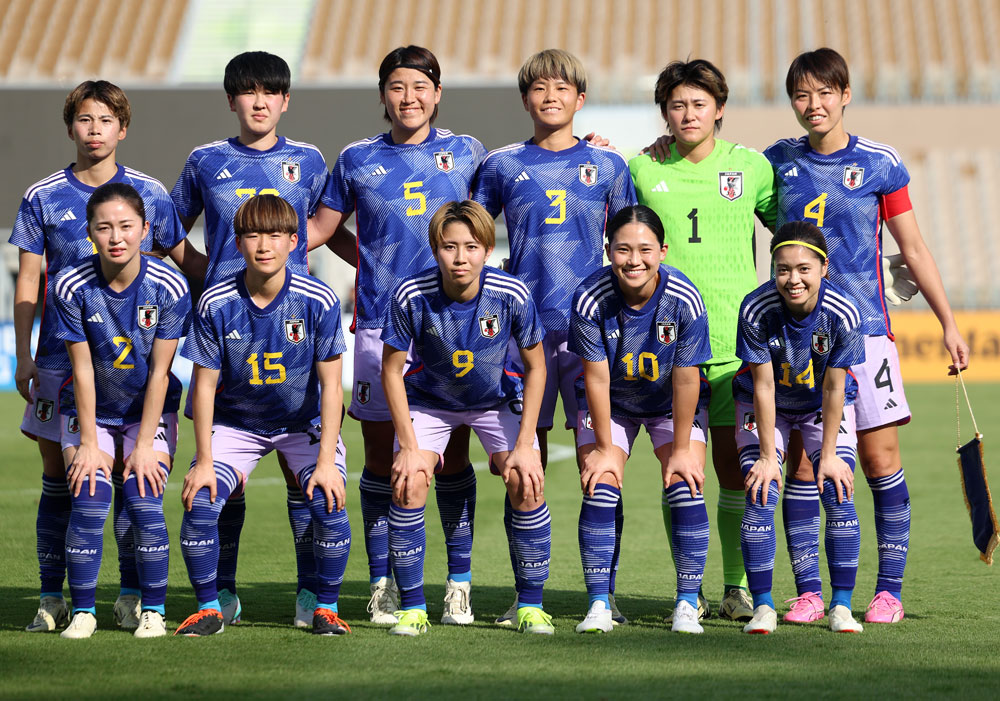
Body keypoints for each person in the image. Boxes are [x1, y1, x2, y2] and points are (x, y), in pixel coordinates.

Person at [764, 48, 970, 624]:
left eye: (825, 92)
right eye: (802, 95)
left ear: (845, 95)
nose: (814, 104)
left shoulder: (879, 162)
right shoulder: (776, 162)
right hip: (799, 338)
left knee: (879, 460)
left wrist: (948, 322)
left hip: (868, 332)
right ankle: (809, 592)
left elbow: (914, 249)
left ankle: (889, 593)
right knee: (804, 465)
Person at [10, 80, 199, 633]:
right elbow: (29, 280)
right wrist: (23, 354)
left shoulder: (149, 193)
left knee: (132, 482)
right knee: (64, 480)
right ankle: (52, 598)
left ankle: (131, 595)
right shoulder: (43, 195)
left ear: (123, 128)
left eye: (106, 120)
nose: (95, 130)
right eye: (85, 120)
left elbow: (181, 260)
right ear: (70, 126)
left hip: (134, 368)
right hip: (61, 361)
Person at [308, 46, 487, 625]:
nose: (408, 97)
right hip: (380, 326)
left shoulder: (468, 153)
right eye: (396, 87)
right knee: (383, 460)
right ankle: (383, 583)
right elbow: (323, 228)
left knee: (451, 457)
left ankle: (458, 583)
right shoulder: (356, 158)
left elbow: (493, 215)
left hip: (450, 326)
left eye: (419, 86)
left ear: (437, 93)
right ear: (383, 95)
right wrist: (364, 259)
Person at [171, 51, 337, 628]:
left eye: (270, 92)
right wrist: (210, 272)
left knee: (302, 478)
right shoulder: (205, 160)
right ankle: (222, 594)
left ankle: (311, 594)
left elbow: (324, 224)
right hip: (226, 324)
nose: (259, 101)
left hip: (291, 325)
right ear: (231, 100)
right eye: (248, 91)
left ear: (285, 101)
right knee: (225, 485)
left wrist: (294, 262)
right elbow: (168, 229)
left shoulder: (308, 160)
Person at [471, 49, 637, 625]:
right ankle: (528, 596)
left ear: (580, 99)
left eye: (562, 88)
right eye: (539, 88)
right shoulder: (500, 164)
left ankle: (603, 595)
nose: (550, 96)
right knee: (523, 464)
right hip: (525, 336)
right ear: (525, 99)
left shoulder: (609, 165)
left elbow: (632, 243)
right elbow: (470, 234)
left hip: (595, 333)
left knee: (601, 462)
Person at [630, 60, 777, 622]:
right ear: (664, 113)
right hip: (668, 350)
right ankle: (687, 589)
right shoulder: (642, 168)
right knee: (681, 471)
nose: (688, 114)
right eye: (677, 105)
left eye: (698, 104)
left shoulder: (751, 167)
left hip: (739, 347)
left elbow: (794, 233)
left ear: (719, 108)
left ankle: (737, 587)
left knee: (735, 470)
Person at [175, 195, 352, 637]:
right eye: (252, 235)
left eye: (275, 235)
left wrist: (327, 462)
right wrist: (203, 459)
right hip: (236, 424)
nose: (264, 245)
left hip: (301, 424)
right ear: (237, 243)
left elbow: (332, 387)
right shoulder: (216, 301)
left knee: (328, 497)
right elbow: (204, 386)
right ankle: (211, 607)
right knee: (201, 498)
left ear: (294, 241)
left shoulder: (318, 299)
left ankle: (324, 606)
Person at [380, 201, 549, 636]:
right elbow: (391, 371)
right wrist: (408, 446)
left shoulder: (511, 294)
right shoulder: (410, 294)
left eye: (471, 247)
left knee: (526, 478)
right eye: (449, 246)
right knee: (409, 480)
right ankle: (413, 608)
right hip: (430, 401)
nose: (460, 257)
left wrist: (525, 445)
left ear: (488, 250)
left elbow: (537, 368)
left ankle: (530, 606)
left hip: (495, 400)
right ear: (435, 249)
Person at [52, 183, 192, 638]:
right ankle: (84, 612)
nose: (116, 237)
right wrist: (89, 442)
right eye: (104, 227)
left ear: (145, 230)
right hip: (90, 411)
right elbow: (82, 369)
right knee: (88, 499)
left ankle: (151, 609)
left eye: (126, 226)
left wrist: (146, 445)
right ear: (89, 232)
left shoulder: (170, 285)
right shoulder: (70, 284)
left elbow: (160, 373)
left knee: (144, 501)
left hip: (146, 413)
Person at [570, 205, 712, 634]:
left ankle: (687, 602)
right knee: (601, 482)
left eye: (645, 250)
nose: (634, 260)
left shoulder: (684, 298)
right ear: (608, 250)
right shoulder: (590, 297)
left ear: (662, 251)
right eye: (623, 249)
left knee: (685, 481)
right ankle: (600, 603)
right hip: (611, 403)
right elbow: (596, 378)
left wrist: (682, 450)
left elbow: (686, 380)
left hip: (670, 403)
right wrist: (603, 448)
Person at [734, 221, 866, 635]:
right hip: (762, 403)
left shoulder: (844, 312)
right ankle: (763, 607)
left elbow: (834, 386)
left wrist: (829, 456)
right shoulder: (756, 309)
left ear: (823, 268)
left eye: (804, 269)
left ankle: (841, 606)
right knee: (760, 491)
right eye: (783, 269)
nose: (793, 279)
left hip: (819, 405)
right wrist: (768, 457)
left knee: (838, 488)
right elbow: (763, 385)